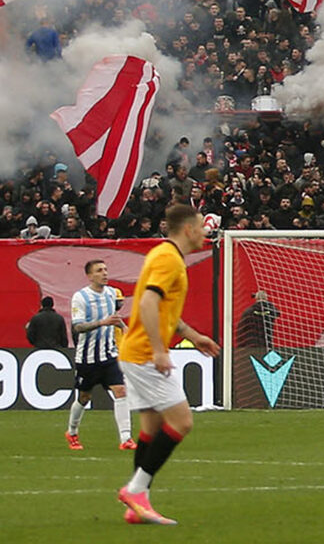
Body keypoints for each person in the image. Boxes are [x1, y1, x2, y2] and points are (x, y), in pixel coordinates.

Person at [113, 203, 221, 525]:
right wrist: (160, 351)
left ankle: (137, 506)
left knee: (151, 427)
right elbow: (146, 302)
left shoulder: (166, 256)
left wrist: (192, 334)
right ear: (188, 229)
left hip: (137, 352)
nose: (206, 232)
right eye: (201, 226)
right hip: (146, 354)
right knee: (182, 421)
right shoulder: (168, 259)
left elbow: (162, 308)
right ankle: (135, 490)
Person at [68, 259, 134, 451]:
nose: (104, 273)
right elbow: (77, 326)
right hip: (87, 359)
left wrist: (123, 327)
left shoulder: (112, 294)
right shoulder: (80, 297)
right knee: (84, 397)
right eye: (99, 270)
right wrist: (101, 323)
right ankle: (72, 432)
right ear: (89, 276)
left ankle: (126, 438)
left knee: (121, 391)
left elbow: (113, 318)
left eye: (105, 269)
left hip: (109, 355)